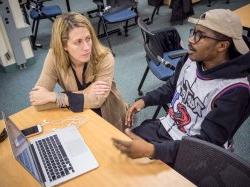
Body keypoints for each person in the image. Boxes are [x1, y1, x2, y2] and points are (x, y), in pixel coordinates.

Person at [112, 9, 250, 164]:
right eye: (193, 32)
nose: (190, 40)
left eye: (200, 36)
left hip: (195, 152)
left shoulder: (235, 90)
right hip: (167, 127)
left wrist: (152, 150)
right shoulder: (192, 58)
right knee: (118, 152)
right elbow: (172, 87)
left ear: (222, 46)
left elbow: (206, 146)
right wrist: (145, 100)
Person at [29, 12, 127, 130]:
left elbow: (97, 101)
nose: (86, 47)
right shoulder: (54, 56)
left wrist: (56, 97)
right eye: (78, 42)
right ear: (64, 45)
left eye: (88, 39)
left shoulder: (104, 57)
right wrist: (86, 92)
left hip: (108, 112)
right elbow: (37, 101)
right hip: (78, 114)